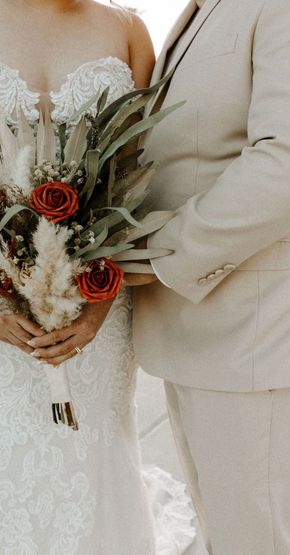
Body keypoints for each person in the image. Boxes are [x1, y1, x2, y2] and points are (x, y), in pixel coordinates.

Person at [0, 1, 196, 553]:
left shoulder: (127, 29)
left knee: (92, 455)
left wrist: (101, 295)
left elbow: (141, 174)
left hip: (95, 306)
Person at [132, 0, 290, 553]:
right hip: (197, 333)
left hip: (253, 337)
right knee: (226, 536)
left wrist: (159, 252)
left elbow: (284, 164)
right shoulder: (201, 11)